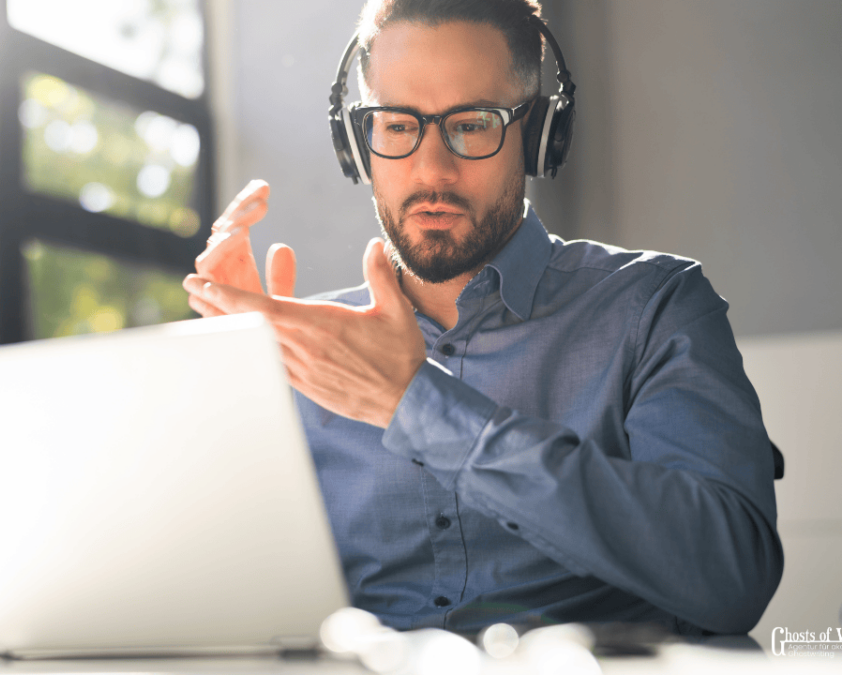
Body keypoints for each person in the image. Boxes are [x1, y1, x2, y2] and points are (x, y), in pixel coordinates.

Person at [183, 0, 782, 636]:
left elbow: (731, 577)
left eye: (473, 124)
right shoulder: (303, 349)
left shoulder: (655, 305)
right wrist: (230, 389)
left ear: (540, 133)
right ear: (357, 142)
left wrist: (416, 406)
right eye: (396, 124)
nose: (432, 169)